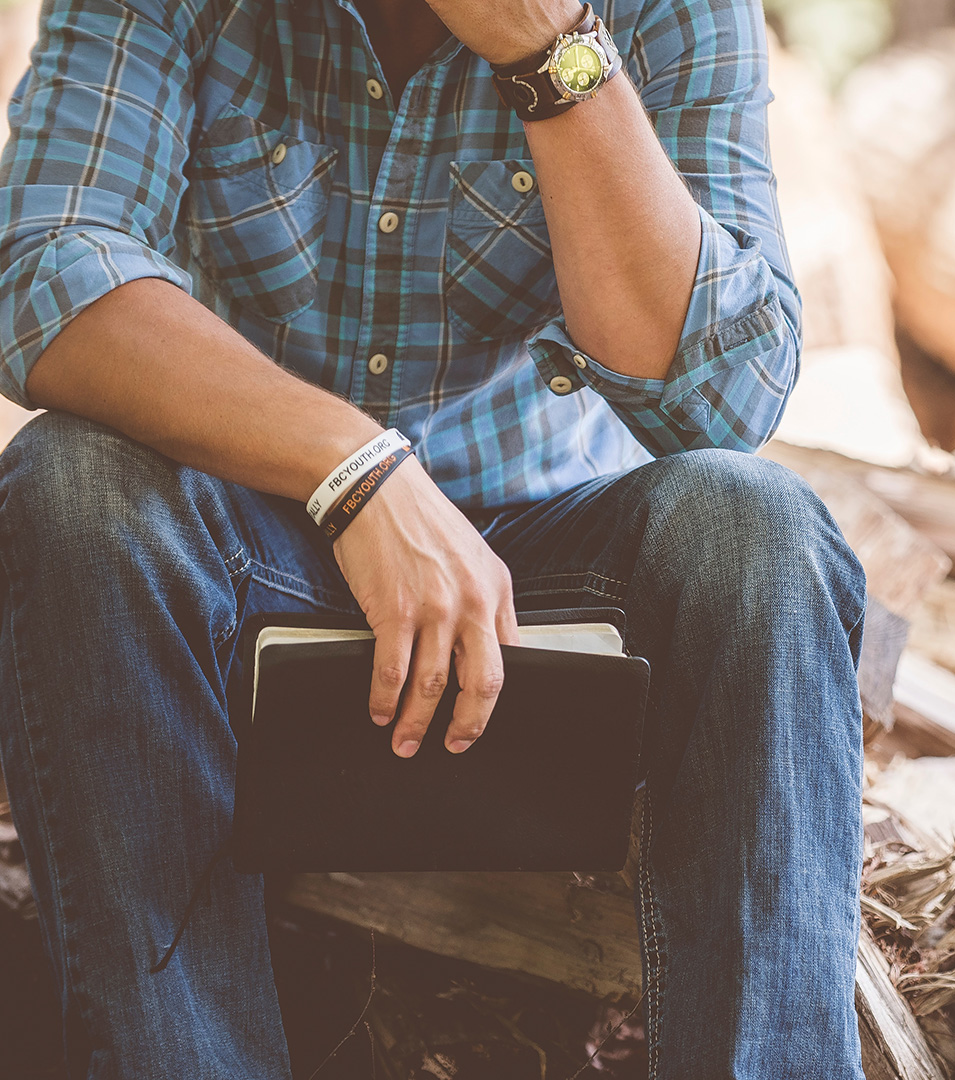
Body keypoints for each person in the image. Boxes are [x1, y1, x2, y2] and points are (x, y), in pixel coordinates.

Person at [0, 0, 866, 1074]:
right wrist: (353, 472)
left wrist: (552, 55)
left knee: (761, 534)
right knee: (71, 485)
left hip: (545, 595)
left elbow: (722, 399)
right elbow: (44, 271)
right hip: (237, 565)